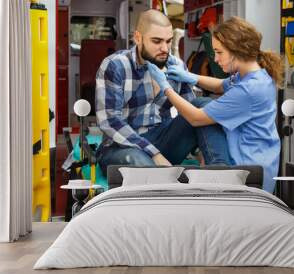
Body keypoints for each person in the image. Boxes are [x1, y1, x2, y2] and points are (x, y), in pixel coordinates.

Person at [146, 16, 283, 193]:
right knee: (201, 102)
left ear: (237, 50)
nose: (216, 59)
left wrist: (165, 88)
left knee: (200, 108)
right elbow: (220, 85)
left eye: (219, 52)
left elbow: (196, 119)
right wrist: (190, 77)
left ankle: (220, 176)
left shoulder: (250, 89)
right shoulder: (251, 74)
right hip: (258, 162)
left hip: (247, 177)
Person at [95, 9, 231, 175]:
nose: (165, 48)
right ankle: (165, 179)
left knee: (204, 105)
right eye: (157, 41)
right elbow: (110, 122)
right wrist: (155, 154)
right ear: (138, 38)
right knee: (140, 162)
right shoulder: (115, 65)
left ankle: (221, 174)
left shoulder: (177, 66)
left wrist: (201, 150)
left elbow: (192, 114)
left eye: (168, 41)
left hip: (163, 140)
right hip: (121, 147)